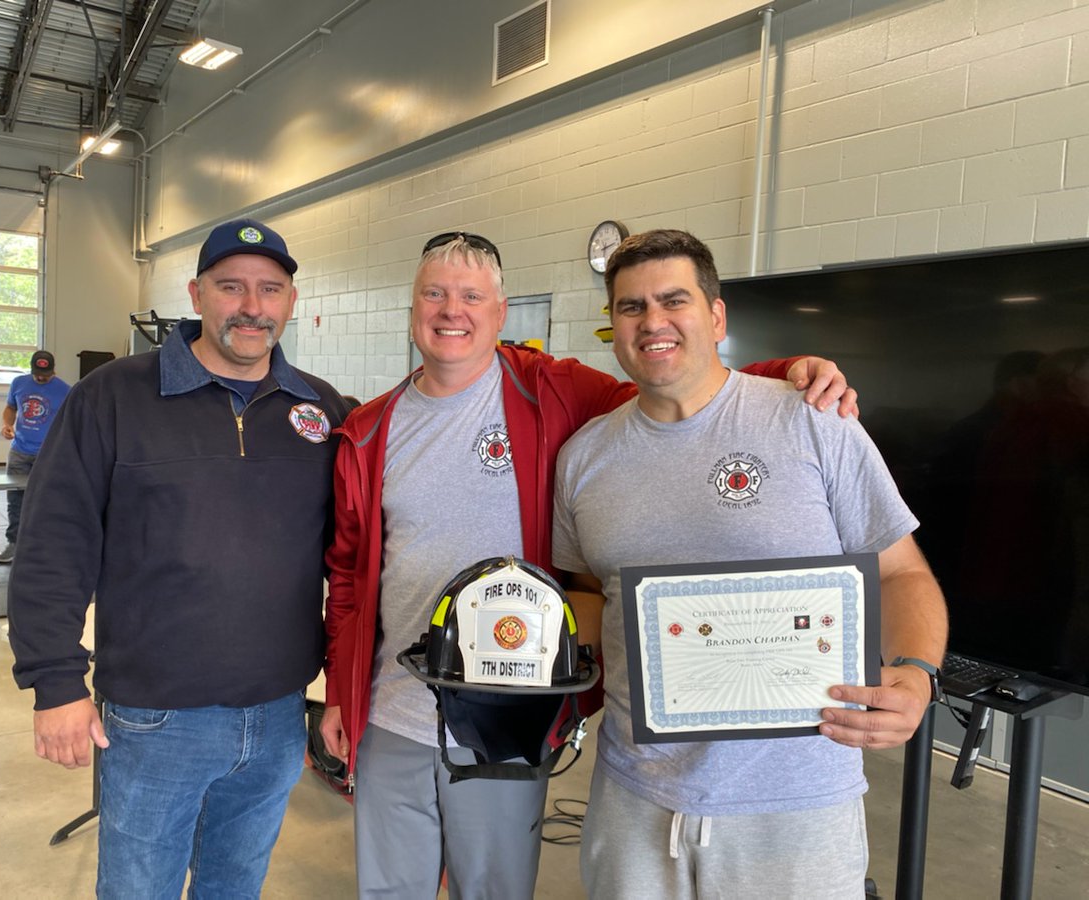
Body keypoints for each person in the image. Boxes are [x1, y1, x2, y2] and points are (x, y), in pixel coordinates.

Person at [321, 231, 859, 899]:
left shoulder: (556, 391)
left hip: (506, 711)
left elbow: (675, 383)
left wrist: (789, 371)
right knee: (388, 889)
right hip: (393, 707)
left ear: (499, 310)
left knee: (492, 889)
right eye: (434, 293)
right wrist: (342, 693)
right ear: (413, 307)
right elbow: (347, 576)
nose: (450, 310)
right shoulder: (370, 429)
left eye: (470, 296)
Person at [550, 229, 948, 898]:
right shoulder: (585, 458)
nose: (652, 322)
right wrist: (523, 641)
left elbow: (902, 573)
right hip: (637, 797)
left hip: (798, 804)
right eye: (630, 307)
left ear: (715, 315)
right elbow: (592, 590)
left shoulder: (813, 421)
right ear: (613, 325)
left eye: (673, 300)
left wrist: (915, 677)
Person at [7, 218, 349, 898]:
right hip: (156, 716)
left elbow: (351, 561)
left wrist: (344, 683)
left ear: (289, 300)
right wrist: (56, 680)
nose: (252, 306)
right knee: (140, 889)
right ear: (197, 295)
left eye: (270, 289)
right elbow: (54, 542)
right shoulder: (114, 398)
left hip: (280, 710)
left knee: (235, 883)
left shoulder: (319, 409)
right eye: (231, 287)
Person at [0, 349, 71, 564]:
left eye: (45, 375)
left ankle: (45, 545)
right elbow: (10, 408)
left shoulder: (65, 390)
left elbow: (70, 421)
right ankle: (14, 543)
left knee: (47, 499)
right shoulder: (19, 383)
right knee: (15, 500)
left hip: (48, 454)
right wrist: (7, 425)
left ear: (53, 371)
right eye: (37, 373)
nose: (40, 378)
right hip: (19, 451)